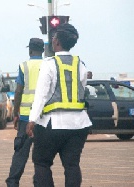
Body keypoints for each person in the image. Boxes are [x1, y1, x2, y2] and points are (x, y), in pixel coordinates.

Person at [26, 23, 92, 187]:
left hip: (53, 124)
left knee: (42, 162)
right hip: (79, 124)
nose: (53, 39)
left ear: (56, 42)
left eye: (54, 37)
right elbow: (81, 89)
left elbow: (40, 96)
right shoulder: (80, 64)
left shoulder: (49, 64)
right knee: (72, 165)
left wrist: (32, 120)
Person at [6, 38, 44, 187]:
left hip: (26, 117)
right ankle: (39, 182)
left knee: (20, 152)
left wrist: (15, 113)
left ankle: (13, 182)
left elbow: (19, 91)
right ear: (42, 50)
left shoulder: (24, 66)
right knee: (41, 155)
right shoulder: (48, 65)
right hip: (43, 117)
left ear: (30, 50)